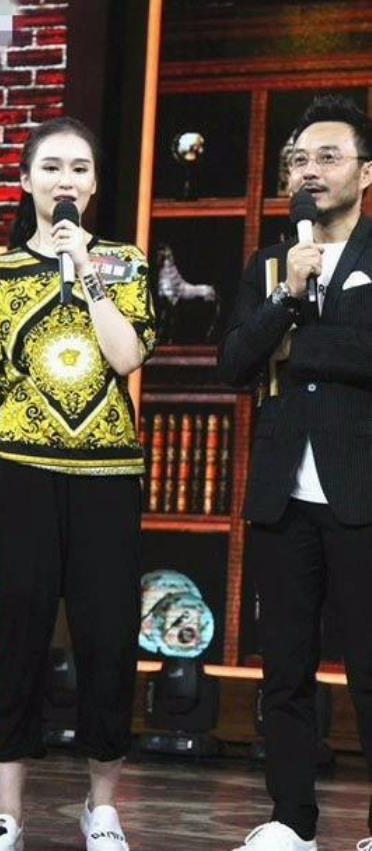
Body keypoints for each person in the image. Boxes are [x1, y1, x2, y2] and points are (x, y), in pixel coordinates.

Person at [0, 117, 156, 851]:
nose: (65, 180)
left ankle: (102, 807)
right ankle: (8, 811)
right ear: (26, 180)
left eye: (79, 168)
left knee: (107, 639)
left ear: (94, 184)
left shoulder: (126, 263)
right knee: (19, 635)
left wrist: (86, 270)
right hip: (20, 475)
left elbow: (126, 357)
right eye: (51, 167)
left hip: (106, 476)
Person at [219, 94, 372, 851]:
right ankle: (290, 820)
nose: (310, 171)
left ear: (365, 172)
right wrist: (284, 298)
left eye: (328, 157)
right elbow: (233, 362)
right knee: (283, 670)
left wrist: (297, 345)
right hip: (281, 495)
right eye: (299, 160)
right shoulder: (270, 265)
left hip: (361, 492)